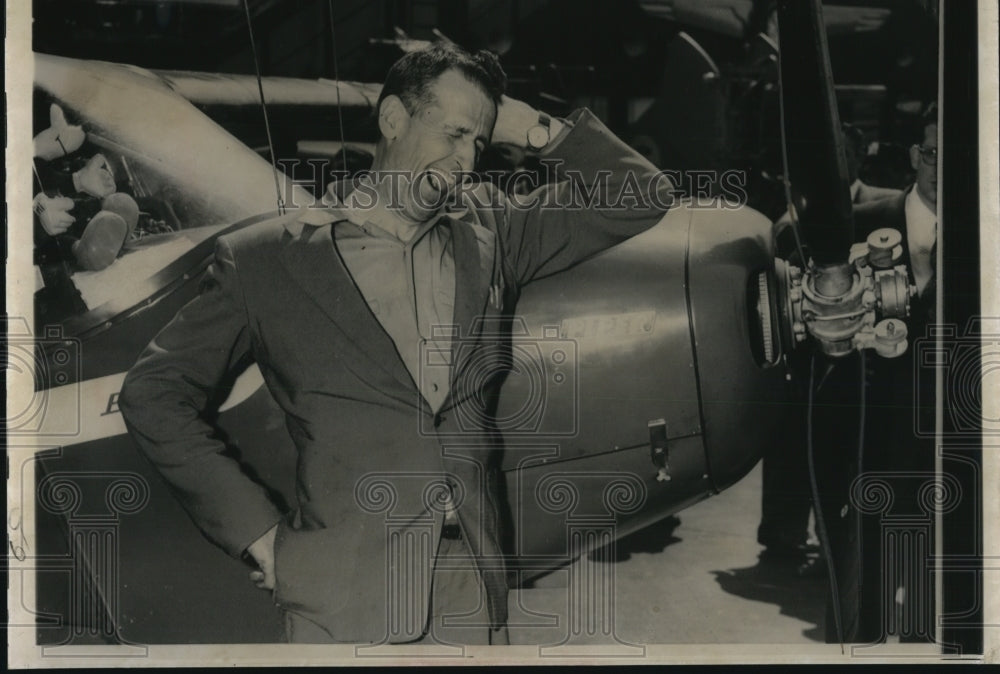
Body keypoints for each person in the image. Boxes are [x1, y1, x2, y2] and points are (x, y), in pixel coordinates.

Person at [119, 43, 675, 645]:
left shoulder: (491, 233)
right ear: (392, 119)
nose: (465, 161)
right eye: (455, 133)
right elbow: (154, 392)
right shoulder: (265, 260)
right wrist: (256, 534)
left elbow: (642, 195)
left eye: (479, 145)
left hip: (469, 591)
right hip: (341, 598)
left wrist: (534, 128)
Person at [816, 104, 938, 643]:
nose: (943, 168)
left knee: (934, 615)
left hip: (952, 454)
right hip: (869, 447)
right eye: (933, 154)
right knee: (858, 612)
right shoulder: (862, 221)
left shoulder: (989, 228)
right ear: (915, 156)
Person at [758, 123, 903, 570]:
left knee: (852, 458)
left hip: (875, 365)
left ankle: (839, 546)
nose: (830, 164)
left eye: (841, 153)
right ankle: (784, 536)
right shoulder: (793, 217)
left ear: (860, 156)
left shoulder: (888, 206)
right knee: (795, 446)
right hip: (810, 363)